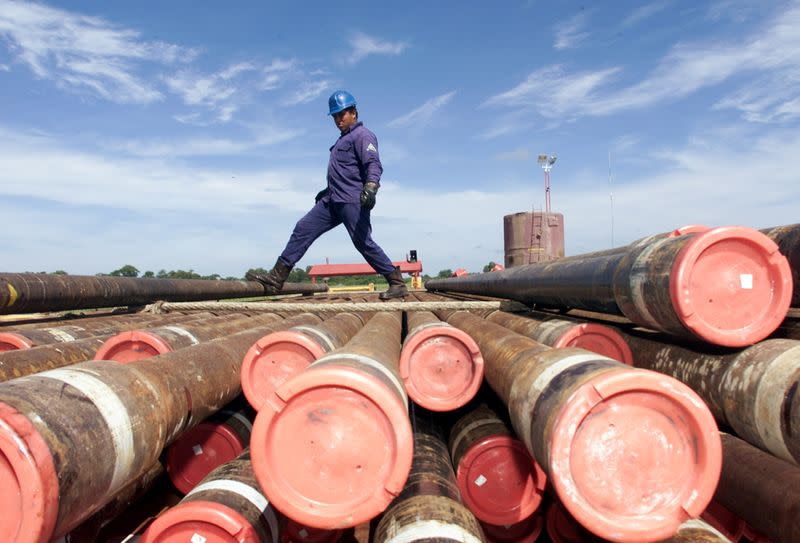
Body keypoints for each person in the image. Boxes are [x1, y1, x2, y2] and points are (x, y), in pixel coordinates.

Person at [247, 90, 408, 300]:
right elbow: (344, 171)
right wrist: (326, 190)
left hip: (352, 200)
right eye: (335, 116)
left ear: (354, 113)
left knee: (363, 242)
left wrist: (371, 186)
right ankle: (277, 277)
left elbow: (373, 164)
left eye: (342, 114)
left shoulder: (363, 135)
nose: (338, 119)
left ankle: (396, 282)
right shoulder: (342, 140)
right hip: (332, 200)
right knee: (303, 228)